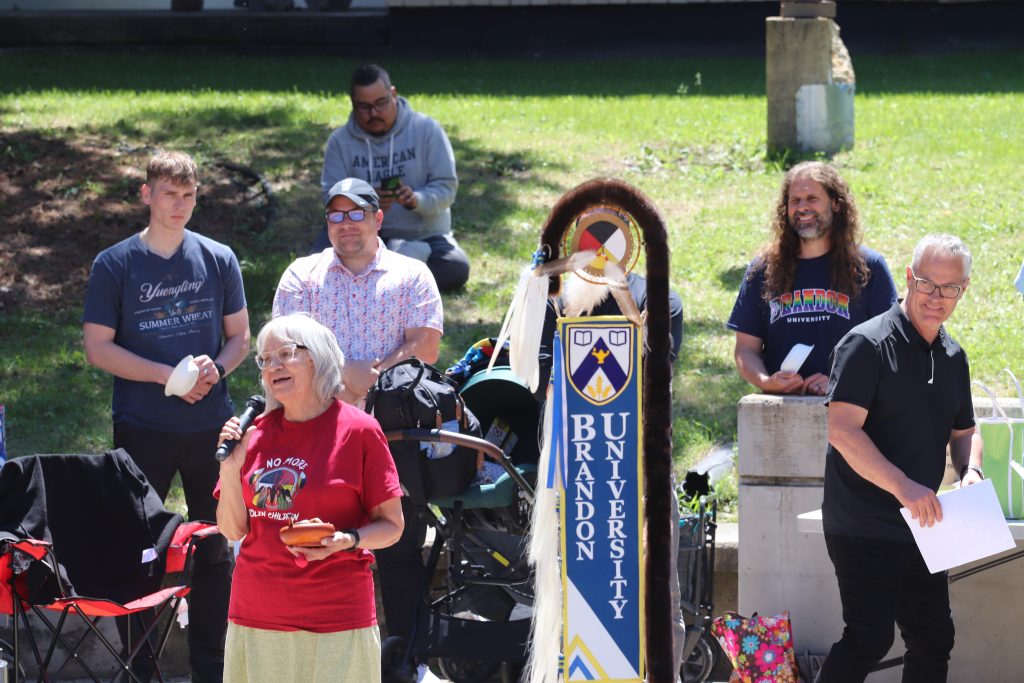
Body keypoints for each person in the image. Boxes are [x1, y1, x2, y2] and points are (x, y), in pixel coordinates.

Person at [82, 150, 249, 683]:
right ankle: (141, 668)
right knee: (142, 553)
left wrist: (214, 372)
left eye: (189, 195)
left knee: (217, 548)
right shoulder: (116, 264)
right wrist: (165, 375)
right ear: (146, 194)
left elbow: (240, 337)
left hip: (212, 428)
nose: (180, 205)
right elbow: (98, 348)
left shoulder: (219, 257)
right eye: (169, 193)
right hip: (142, 428)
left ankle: (212, 668)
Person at [272, 177, 443, 680]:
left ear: (378, 218)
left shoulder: (412, 275)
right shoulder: (302, 277)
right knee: (312, 540)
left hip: (393, 433)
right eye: (335, 216)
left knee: (399, 544)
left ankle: (406, 660)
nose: (345, 225)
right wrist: (341, 374)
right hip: (318, 433)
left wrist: (371, 372)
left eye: (356, 214)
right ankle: (309, 661)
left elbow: (426, 346)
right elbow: (284, 348)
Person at [818, 234, 983, 682]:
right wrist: (903, 486)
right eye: (928, 283)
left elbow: (965, 432)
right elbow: (842, 431)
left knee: (933, 638)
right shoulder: (866, 344)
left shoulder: (954, 356)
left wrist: (971, 471)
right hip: (862, 522)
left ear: (963, 291)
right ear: (909, 278)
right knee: (869, 637)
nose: (937, 297)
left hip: (924, 524)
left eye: (949, 288)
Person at [215, 314, 404, 683]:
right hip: (257, 615)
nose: (273, 367)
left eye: (285, 353)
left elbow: (393, 526)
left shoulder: (359, 431)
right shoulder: (255, 435)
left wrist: (347, 540)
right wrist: (229, 469)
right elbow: (231, 529)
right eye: (265, 360)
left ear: (316, 358)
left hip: (336, 619)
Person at [535, 269, 688, 674]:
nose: (600, 244)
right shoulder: (556, 298)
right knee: (576, 589)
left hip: (641, 466)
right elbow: (538, 373)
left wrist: (620, 295)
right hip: (578, 469)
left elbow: (656, 364)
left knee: (658, 589)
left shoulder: (657, 296)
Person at [727, 161, 898, 396]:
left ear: (836, 204)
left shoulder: (869, 266)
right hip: (781, 411)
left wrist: (843, 381)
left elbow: (891, 347)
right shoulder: (763, 269)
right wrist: (766, 381)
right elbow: (746, 349)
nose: (802, 207)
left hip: (852, 407)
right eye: (795, 200)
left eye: (812, 198)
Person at [318, 63, 470, 291]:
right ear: (353, 104)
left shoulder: (426, 130)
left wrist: (416, 200)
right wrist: (365, 205)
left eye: (381, 103)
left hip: (425, 236)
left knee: (455, 268)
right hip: (365, 235)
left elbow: (446, 189)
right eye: (365, 107)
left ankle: (372, 279)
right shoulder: (340, 141)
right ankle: (395, 277)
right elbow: (330, 197)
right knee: (317, 265)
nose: (374, 113)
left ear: (393, 94)